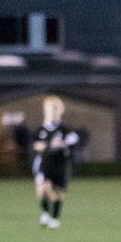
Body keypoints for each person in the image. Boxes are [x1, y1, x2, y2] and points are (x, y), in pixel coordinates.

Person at [32, 96, 80, 230]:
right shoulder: (41, 130)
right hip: (45, 162)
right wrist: (50, 145)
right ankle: (45, 213)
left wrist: (64, 143)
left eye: (55, 108)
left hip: (60, 164)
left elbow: (73, 141)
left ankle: (54, 218)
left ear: (60, 110)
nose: (51, 111)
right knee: (43, 188)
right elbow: (36, 145)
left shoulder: (64, 129)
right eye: (49, 108)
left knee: (58, 193)